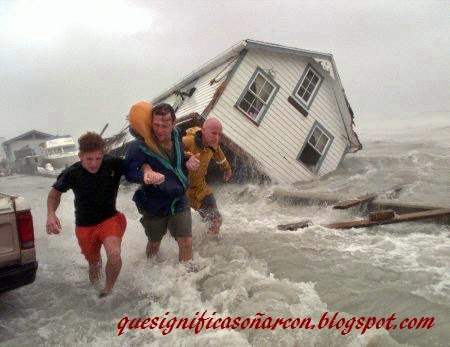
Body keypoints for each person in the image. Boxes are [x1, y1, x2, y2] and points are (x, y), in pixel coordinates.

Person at [46, 132, 126, 297]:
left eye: (98, 158)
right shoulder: (71, 172)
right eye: (89, 159)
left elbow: (138, 164)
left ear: (102, 154)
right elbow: (54, 194)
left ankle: (107, 290)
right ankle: (95, 291)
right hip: (84, 225)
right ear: (80, 156)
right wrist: (51, 214)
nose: (94, 164)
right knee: (94, 263)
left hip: (109, 219)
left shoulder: (113, 164)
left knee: (114, 254)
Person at [124, 102, 200, 263]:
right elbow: (129, 173)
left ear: (173, 124)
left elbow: (176, 158)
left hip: (179, 199)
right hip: (154, 203)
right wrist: (144, 176)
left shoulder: (177, 134)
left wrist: (189, 159)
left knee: (186, 242)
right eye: (156, 125)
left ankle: (186, 280)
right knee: (154, 242)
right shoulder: (138, 146)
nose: (159, 130)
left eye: (164, 126)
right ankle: (151, 269)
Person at [182, 118, 232, 235]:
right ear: (203, 130)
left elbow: (220, 156)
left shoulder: (213, 145)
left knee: (216, 220)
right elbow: (170, 150)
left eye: (219, 134)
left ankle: (209, 247)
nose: (216, 138)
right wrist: (188, 157)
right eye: (214, 133)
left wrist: (227, 169)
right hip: (183, 191)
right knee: (176, 229)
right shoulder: (188, 141)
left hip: (201, 188)